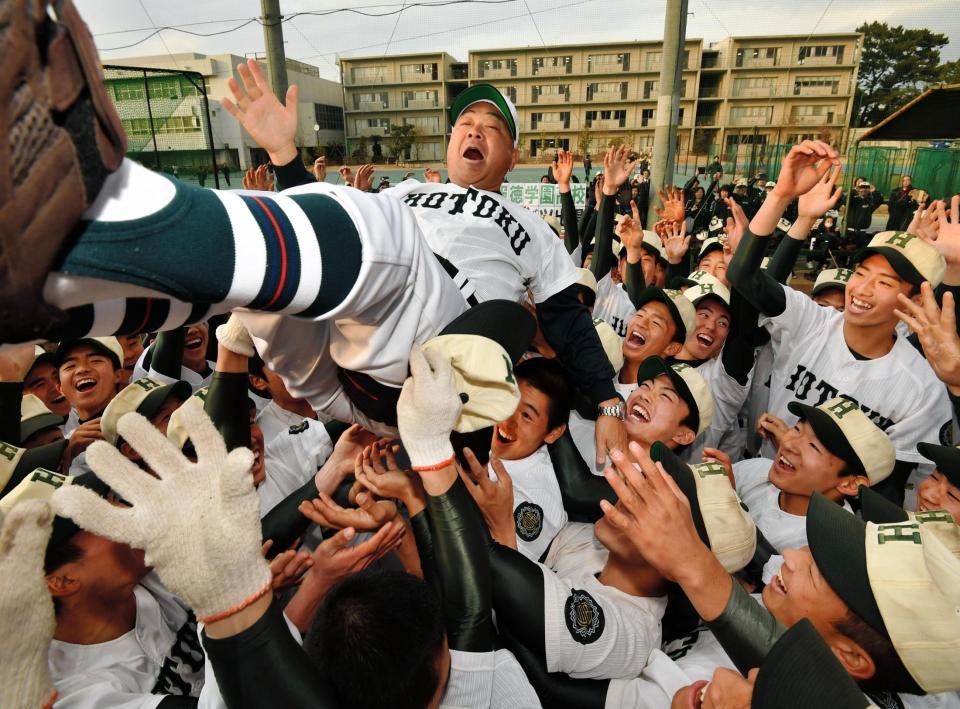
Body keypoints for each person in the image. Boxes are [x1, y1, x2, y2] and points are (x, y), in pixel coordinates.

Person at [727, 141, 953, 505]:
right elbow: (744, 276)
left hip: (829, 520)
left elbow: (889, 489)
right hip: (761, 482)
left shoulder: (921, 388)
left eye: (885, 283)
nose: (862, 288)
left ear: (913, 300)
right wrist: (782, 196)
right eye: (861, 273)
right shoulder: (812, 320)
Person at [845, 181, 883, 248]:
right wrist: (853, 190)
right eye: (862, 187)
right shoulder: (853, 200)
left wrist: (875, 192)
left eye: (866, 187)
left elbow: (879, 201)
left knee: (862, 251)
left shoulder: (870, 201)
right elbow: (844, 201)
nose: (864, 189)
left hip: (862, 233)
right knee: (847, 250)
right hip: (850, 232)